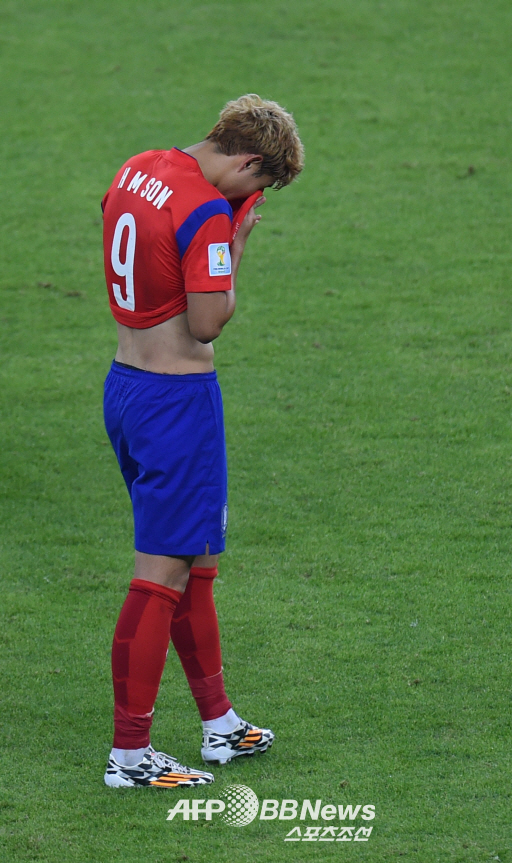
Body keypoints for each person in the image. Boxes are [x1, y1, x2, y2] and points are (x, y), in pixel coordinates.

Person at [100, 94, 304, 788]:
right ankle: (131, 756)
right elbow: (208, 321)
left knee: (196, 560)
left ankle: (219, 722)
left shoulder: (138, 168)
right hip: (176, 405)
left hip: (126, 387)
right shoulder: (207, 212)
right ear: (248, 163)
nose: (251, 199)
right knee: (160, 575)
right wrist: (234, 249)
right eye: (260, 184)